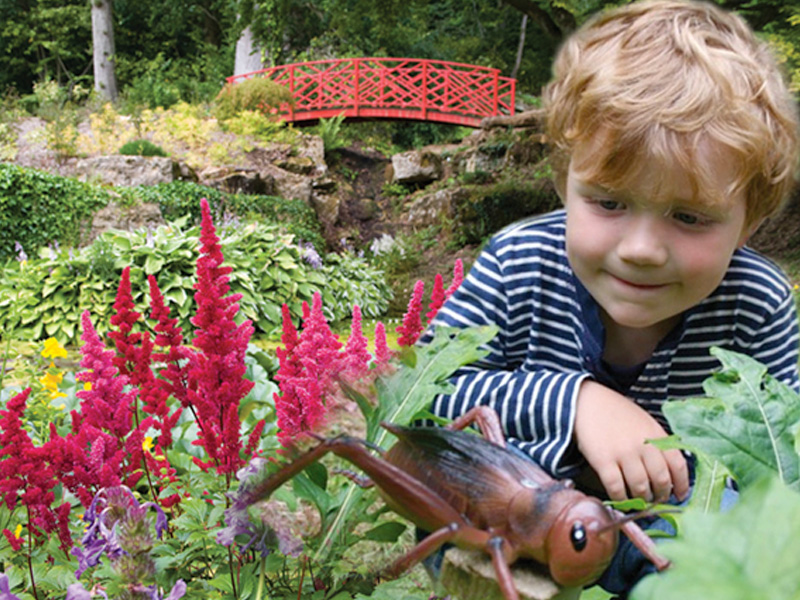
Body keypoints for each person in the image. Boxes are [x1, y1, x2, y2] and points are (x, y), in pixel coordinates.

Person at [423, 0, 799, 594]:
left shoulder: (757, 301)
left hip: (666, 522)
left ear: (749, 222)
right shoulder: (518, 260)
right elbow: (428, 396)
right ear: (564, 183)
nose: (642, 248)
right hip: (514, 520)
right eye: (609, 202)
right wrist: (576, 402)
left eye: (689, 216)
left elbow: (782, 461)